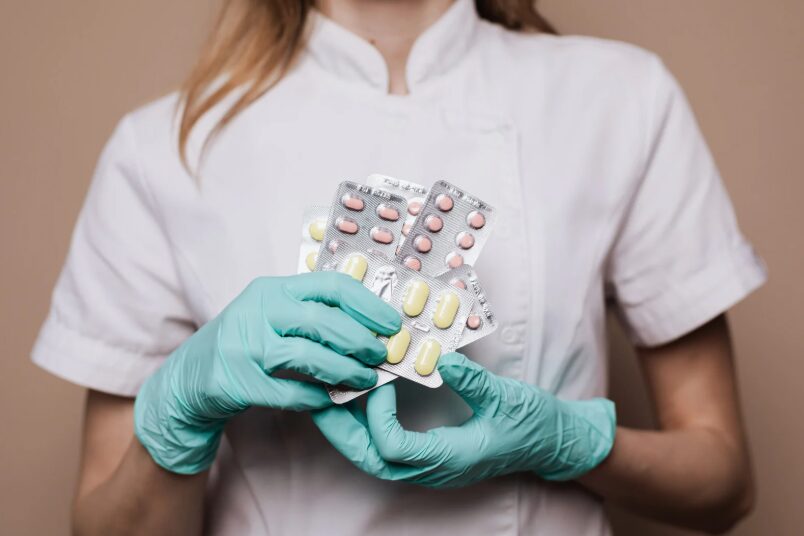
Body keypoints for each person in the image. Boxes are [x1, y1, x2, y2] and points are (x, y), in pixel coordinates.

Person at [32, 0, 767, 534]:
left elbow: (723, 484)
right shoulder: (162, 147)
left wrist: (569, 440)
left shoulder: (620, 98)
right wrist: (178, 414)